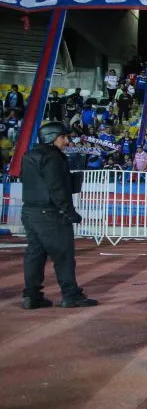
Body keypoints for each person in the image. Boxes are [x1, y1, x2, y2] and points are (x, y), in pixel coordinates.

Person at [20, 122, 96, 309]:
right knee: (64, 254)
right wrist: (69, 212)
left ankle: (32, 295)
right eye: (64, 137)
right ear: (52, 137)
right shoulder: (54, 157)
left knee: (35, 254)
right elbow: (57, 187)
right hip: (50, 212)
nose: (67, 141)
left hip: (29, 211)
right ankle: (70, 294)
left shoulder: (29, 155)